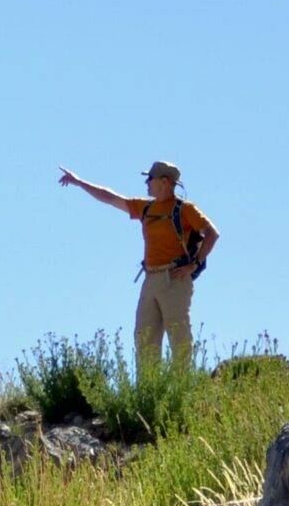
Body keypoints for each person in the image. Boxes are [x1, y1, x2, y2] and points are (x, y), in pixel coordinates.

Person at [58, 159, 219, 371]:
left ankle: (182, 389)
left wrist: (194, 264)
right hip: (150, 279)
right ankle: (149, 393)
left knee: (178, 336)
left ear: (164, 181)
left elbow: (212, 234)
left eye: (150, 179)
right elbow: (111, 198)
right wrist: (80, 182)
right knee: (145, 337)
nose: (147, 183)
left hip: (176, 279)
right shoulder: (146, 208)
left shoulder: (185, 209)